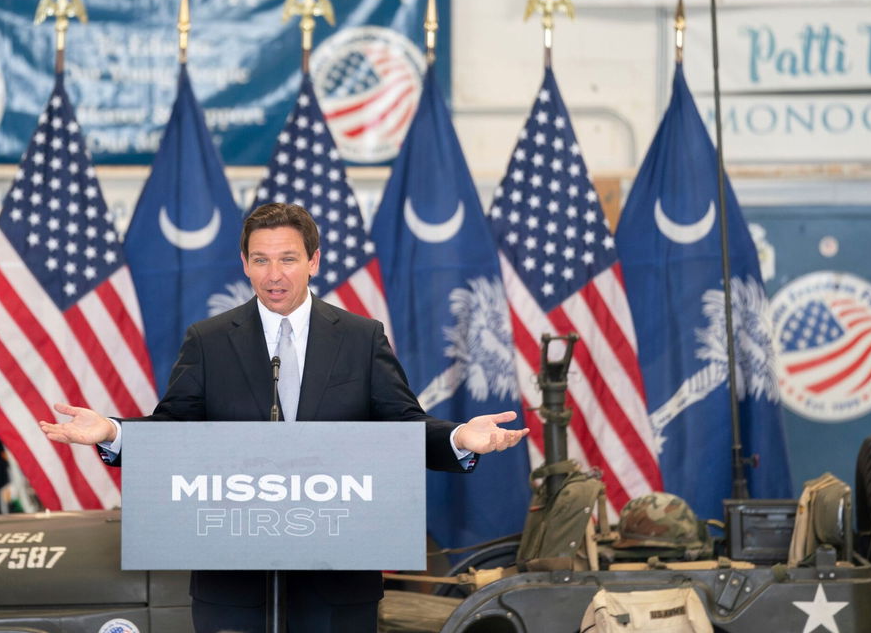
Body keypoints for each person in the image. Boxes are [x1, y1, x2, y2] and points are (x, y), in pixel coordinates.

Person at [40, 202, 529, 633]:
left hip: (336, 585)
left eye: (288, 259)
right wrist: (114, 431)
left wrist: (461, 436)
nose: (275, 275)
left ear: (313, 261)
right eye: (261, 260)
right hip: (235, 587)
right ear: (245, 265)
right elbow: (175, 432)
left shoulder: (360, 339)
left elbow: (403, 427)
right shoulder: (209, 341)